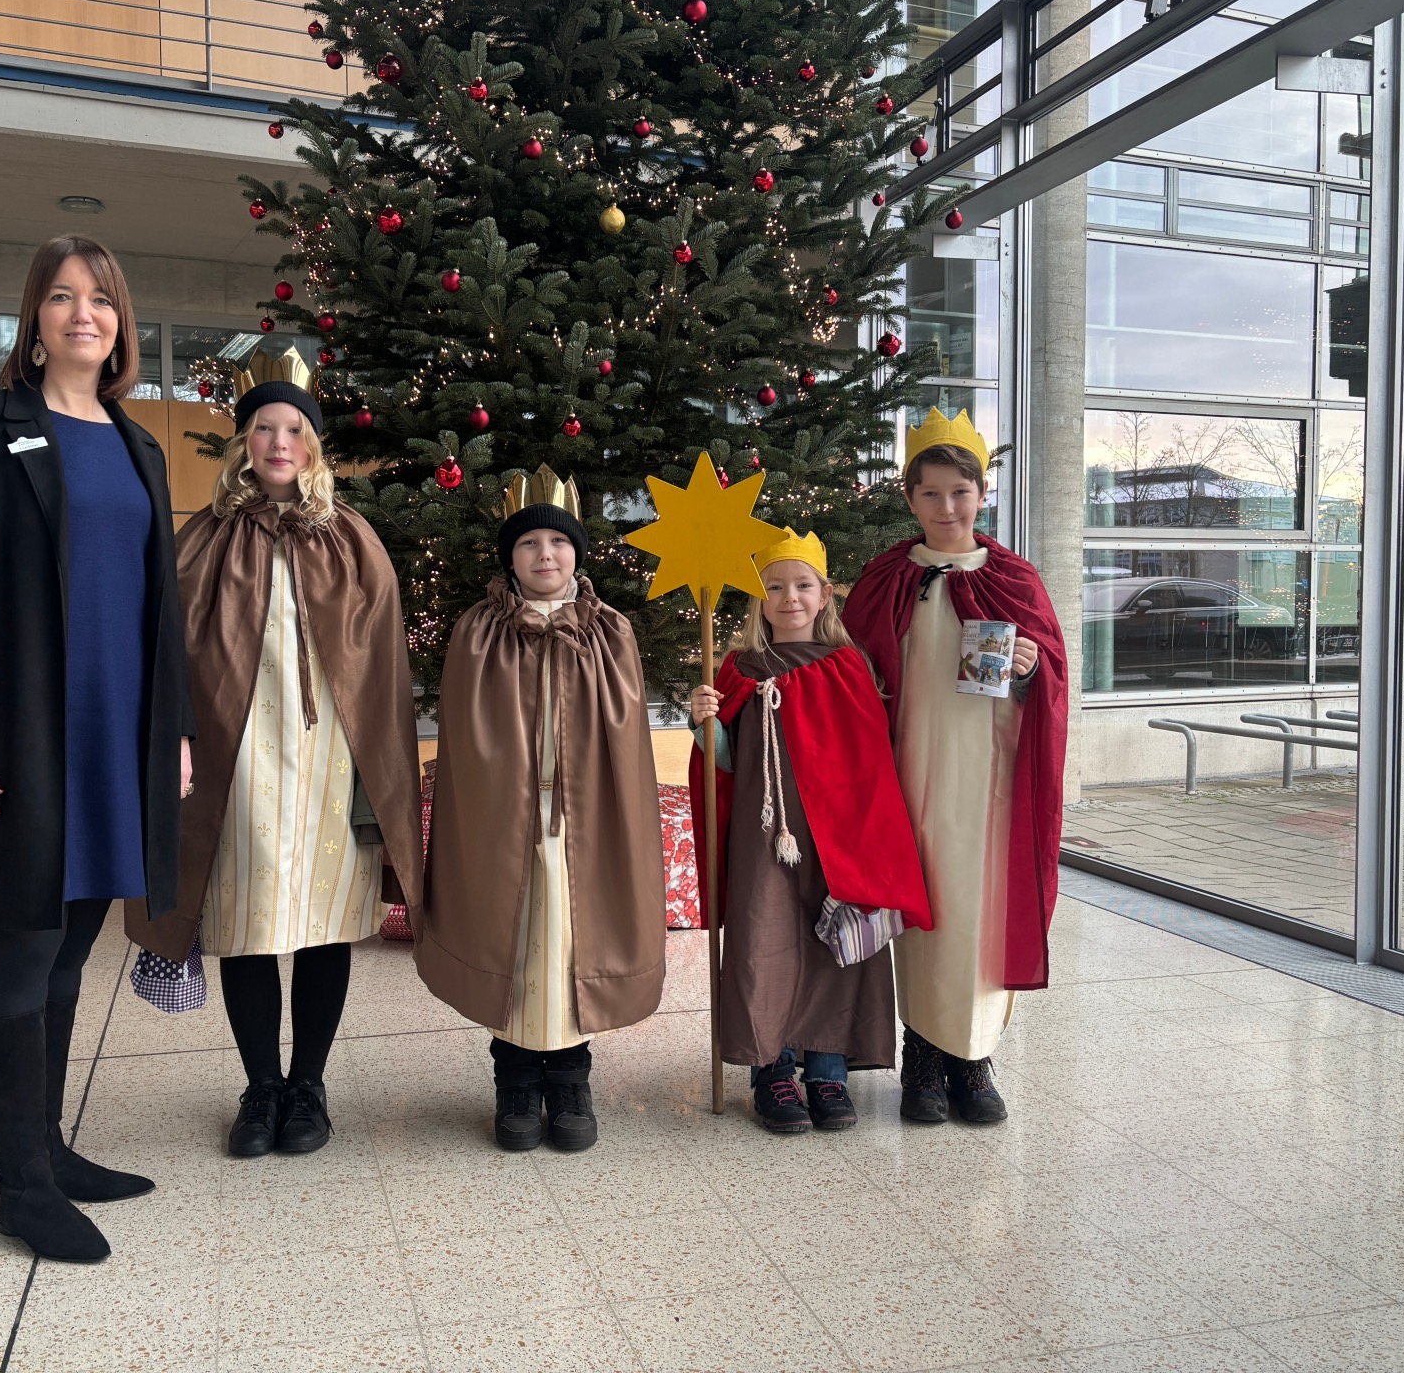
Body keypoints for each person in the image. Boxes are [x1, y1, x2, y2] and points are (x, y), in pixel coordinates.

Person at [0, 234, 193, 1263]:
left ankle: (50, 1150)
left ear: (121, 324)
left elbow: (163, 608)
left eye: (100, 300)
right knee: (21, 957)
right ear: (35, 318)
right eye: (62, 298)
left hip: (119, 738)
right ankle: (22, 1185)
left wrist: (176, 733)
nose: (82, 315)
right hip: (22, 735)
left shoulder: (138, 444)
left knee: (72, 953)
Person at [125, 351, 421, 1159]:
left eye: (294, 428)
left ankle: (310, 1085)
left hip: (330, 756)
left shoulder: (352, 539)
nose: (279, 441)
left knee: (325, 926)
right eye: (264, 427)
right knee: (245, 921)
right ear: (244, 443)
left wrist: (379, 770)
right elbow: (171, 650)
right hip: (238, 756)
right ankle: (261, 1086)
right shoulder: (205, 538)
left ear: (314, 445)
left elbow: (381, 667)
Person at [416, 466, 666, 1152]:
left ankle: (573, 1080)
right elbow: (469, 737)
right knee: (517, 949)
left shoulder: (610, 631)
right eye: (529, 545)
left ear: (577, 553)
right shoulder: (479, 630)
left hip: (585, 825)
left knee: (573, 946)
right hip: (506, 824)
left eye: (558, 543)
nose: (545, 555)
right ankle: (517, 1081)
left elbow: (625, 735)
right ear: (510, 557)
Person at [841, 410, 1068, 1125]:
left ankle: (974, 1058)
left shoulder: (1014, 580)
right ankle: (924, 1060)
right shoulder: (885, 580)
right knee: (923, 908)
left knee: (979, 910)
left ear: (982, 493)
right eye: (931, 494)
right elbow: (848, 675)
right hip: (907, 773)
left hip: (990, 779)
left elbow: (1054, 678)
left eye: (960, 493)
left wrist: (1031, 669)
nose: (947, 508)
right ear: (910, 499)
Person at [688, 530, 930, 1134]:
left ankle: (828, 1068)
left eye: (802, 586)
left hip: (834, 838)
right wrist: (703, 724)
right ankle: (772, 1069)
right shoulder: (740, 668)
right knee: (763, 940)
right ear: (758, 598)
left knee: (832, 944)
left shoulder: (848, 667)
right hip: (763, 836)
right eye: (774, 587)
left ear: (825, 596)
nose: (788, 597)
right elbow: (725, 761)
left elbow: (870, 762)